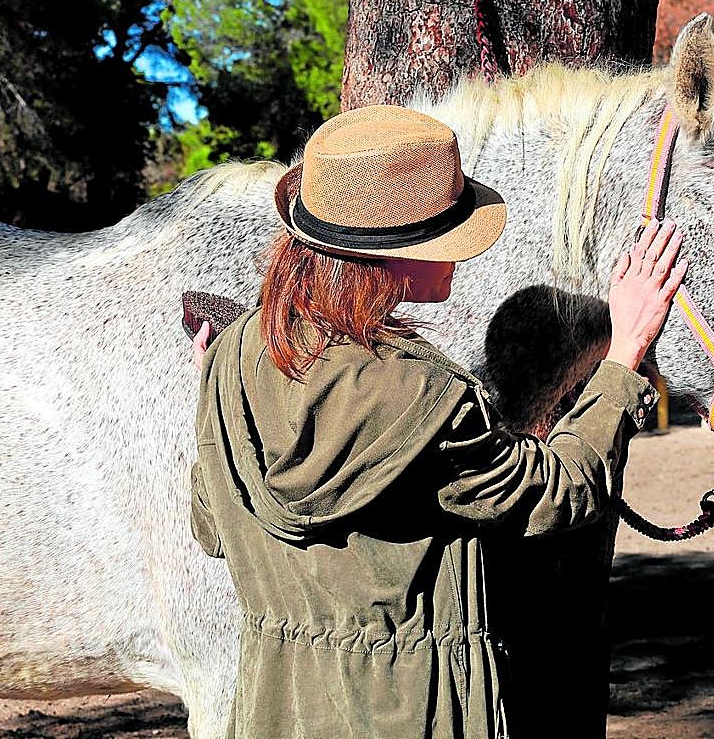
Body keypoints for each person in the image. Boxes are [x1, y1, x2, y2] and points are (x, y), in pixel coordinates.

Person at [188, 104, 686, 738]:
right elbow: (562, 493)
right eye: (443, 237)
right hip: (415, 713)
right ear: (393, 257)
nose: (461, 253)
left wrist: (213, 393)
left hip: (277, 710)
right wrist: (623, 355)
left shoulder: (230, 358)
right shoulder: (425, 397)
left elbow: (211, 525)